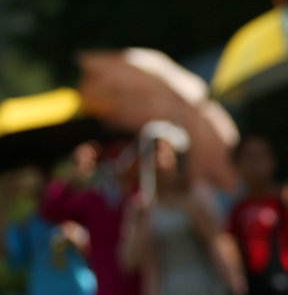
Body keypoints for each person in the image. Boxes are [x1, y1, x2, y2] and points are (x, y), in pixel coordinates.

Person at [119, 124, 245, 295]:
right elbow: (130, 261)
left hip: (202, 285)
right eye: (150, 153)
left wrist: (234, 281)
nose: (156, 159)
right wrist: (138, 223)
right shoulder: (142, 206)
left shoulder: (195, 197)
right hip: (165, 288)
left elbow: (218, 242)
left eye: (161, 151)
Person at [40, 141, 141, 295]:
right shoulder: (95, 201)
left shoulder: (141, 199)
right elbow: (51, 210)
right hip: (109, 287)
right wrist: (73, 173)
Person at [230, 135, 288, 295]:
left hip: (286, 281)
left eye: (261, 156)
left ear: (273, 161)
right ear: (237, 164)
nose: (255, 163)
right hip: (253, 284)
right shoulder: (238, 209)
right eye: (248, 156)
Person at [1, 165, 97, 295]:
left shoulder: (77, 210)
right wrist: (5, 200)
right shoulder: (29, 224)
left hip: (80, 290)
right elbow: (11, 255)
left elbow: (102, 250)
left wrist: (79, 237)